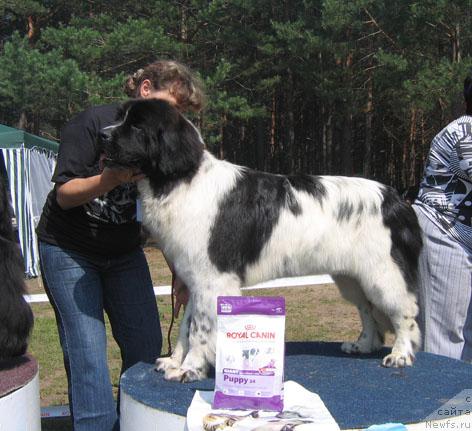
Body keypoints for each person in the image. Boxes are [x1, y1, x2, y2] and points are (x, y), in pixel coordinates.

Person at [36, 60, 204, 430]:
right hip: (69, 249)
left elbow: (167, 214)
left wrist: (181, 272)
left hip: (124, 253)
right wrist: (109, 179)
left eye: (181, 112)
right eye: (171, 107)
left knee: (146, 346)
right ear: (145, 90)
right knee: (89, 358)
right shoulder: (92, 124)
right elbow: (64, 195)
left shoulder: (162, 144)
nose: (175, 118)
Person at [413, 74, 472, 363]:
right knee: (443, 340)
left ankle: (464, 405)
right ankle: (441, 409)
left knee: (465, 338)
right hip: (444, 235)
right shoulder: (466, 131)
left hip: (463, 240)